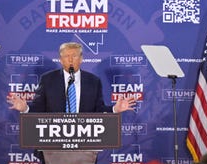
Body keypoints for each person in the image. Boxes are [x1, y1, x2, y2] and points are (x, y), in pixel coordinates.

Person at [7, 42, 136, 114]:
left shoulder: (93, 81)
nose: (70, 60)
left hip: (84, 143)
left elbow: (99, 110)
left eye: (74, 56)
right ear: (60, 60)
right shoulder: (48, 80)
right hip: (53, 142)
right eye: (66, 56)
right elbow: (39, 109)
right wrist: (25, 109)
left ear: (81, 59)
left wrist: (115, 109)